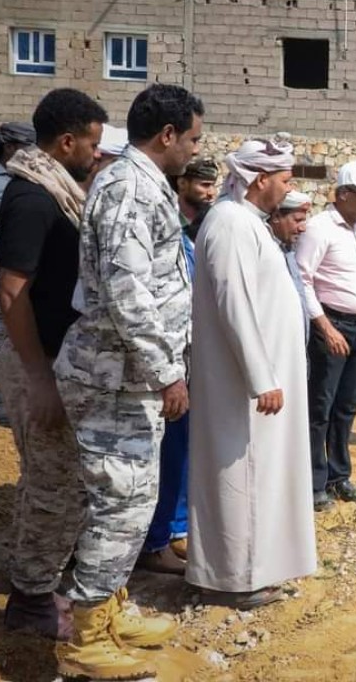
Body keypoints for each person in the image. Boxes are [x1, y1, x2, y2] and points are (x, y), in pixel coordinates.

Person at [52, 84, 202, 680]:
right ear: (167, 135)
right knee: (120, 504)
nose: (194, 150)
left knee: (132, 504)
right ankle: (85, 642)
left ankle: (109, 610)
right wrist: (168, 372)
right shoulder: (129, 188)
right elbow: (124, 291)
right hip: (116, 378)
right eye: (192, 138)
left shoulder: (141, 186)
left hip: (129, 378)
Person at [187, 138, 316, 610]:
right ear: (260, 179)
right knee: (240, 478)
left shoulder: (246, 222)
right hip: (241, 387)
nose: (290, 186)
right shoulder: (230, 223)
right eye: (285, 179)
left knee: (256, 479)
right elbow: (233, 304)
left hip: (260, 383)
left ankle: (249, 570)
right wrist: (262, 377)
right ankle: (231, 579)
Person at [0, 91, 106, 642]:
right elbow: (12, 291)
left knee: (49, 481)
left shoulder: (55, 193)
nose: (95, 153)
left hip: (47, 361)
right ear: (66, 142)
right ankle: (32, 602)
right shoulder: (33, 200)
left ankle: (35, 585)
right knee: (57, 488)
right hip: (34, 365)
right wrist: (40, 377)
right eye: (92, 142)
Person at [134, 155, 219, 573]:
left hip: (184, 358)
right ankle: (155, 541)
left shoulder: (199, 229)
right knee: (166, 455)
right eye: (200, 184)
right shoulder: (163, 222)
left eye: (211, 185)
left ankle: (174, 530)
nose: (207, 192)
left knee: (181, 450)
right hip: (161, 364)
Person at [295, 162, 356, 511]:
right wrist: (325, 327)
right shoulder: (319, 229)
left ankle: (339, 476)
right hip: (333, 328)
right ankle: (314, 485)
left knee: (346, 407)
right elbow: (302, 280)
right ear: (343, 195)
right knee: (320, 408)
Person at [0, 122, 35, 429]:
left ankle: (6, 418)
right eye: (25, 147)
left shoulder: (24, 178)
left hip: (16, 273)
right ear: (8, 147)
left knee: (12, 343)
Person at [269, 189, 312, 345]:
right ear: (276, 217)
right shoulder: (266, 254)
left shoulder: (289, 252)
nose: (303, 228)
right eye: (297, 220)